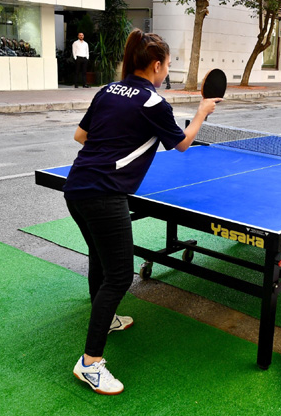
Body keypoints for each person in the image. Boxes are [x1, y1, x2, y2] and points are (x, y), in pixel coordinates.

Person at [64, 28, 221, 395]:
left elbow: (80, 137)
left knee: (100, 258)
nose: (167, 70)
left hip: (76, 188)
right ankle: (90, 363)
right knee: (119, 276)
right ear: (156, 65)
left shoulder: (107, 91)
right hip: (105, 195)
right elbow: (182, 144)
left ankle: (106, 320)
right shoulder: (154, 103)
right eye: (168, 64)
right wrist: (201, 112)